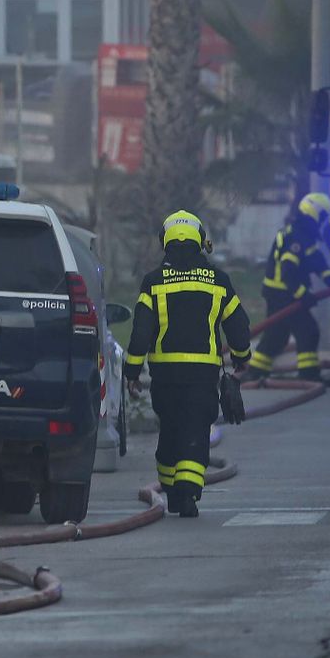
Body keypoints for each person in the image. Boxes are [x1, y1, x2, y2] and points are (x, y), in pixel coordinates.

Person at [123, 210, 252, 518]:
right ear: (200, 241)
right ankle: (189, 493)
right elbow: (238, 326)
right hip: (202, 375)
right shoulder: (217, 281)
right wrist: (241, 357)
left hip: (166, 375)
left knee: (170, 430)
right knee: (195, 429)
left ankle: (173, 490)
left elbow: (140, 332)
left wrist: (131, 371)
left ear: (165, 242)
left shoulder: (153, 283)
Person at [247, 193, 330, 383]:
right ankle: (308, 375)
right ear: (314, 212)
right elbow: (288, 271)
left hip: (280, 292)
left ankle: (256, 371)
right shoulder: (297, 237)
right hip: (283, 293)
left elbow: (319, 264)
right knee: (308, 330)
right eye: (323, 216)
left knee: (276, 335)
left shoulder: (305, 235)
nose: (323, 221)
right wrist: (302, 295)